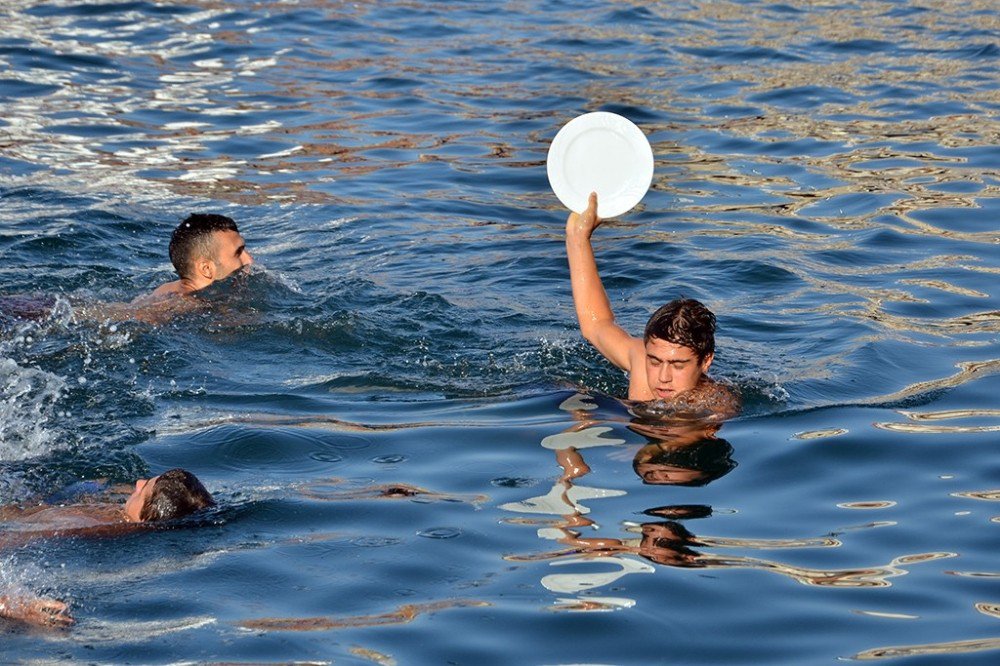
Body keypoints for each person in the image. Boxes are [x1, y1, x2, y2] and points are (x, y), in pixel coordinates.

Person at [565, 192, 738, 417]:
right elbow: (595, 325)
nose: (663, 377)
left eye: (678, 365)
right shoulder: (640, 358)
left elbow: (676, 443)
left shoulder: (714, 406)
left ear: (705, 362)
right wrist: (577, 236)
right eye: (654, 361)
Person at [0, 468, 214, 627]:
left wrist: (13, 606)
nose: (138, 482)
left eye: (142, 489)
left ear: (143, 518)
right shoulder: (133, 516)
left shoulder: (82, 528)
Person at [140, 213, 253, 302]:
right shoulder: (189, 303)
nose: (249, 259)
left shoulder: (165, 289)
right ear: (206, 269)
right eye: (238, 252)